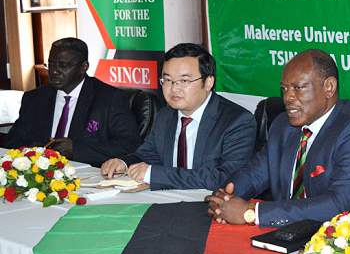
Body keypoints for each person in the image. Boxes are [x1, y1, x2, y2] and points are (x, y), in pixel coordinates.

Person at [205, 49, 350, 226]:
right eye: (284, 89)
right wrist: (224, 199)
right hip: (292, 236)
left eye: (298, 88)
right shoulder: (283, 125)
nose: (288, 98)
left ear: (329, 87)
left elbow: (338, 205)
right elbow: (253, 175)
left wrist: (253, 213)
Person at [101, 43, 256, 190]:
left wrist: (154, 174)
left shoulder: (237, 121)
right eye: (168, 80)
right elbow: (149, 155)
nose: (174, 88)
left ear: (208, 82)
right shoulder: (165, 115)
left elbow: (227, 178)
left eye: (184, 80)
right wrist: (123, 163)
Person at [4, 38, 141, 167]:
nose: (54, 71)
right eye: (50, 65)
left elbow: (129, 144)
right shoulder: (34, 98)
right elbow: (13, 141)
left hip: (89, 175)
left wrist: (75, 149)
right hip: (40, 176)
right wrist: (36, 150)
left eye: (63, 66)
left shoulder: (109, 98)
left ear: (84, 67)